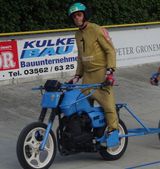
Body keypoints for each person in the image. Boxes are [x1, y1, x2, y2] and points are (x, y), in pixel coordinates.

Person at [67, 2, 119, 146]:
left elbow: (110, 50)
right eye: (74, 16)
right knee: (84, 106)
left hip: (101, 73)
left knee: (107, 104)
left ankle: (114, 133)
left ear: (85, 15)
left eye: (79, 15)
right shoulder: (77, 34)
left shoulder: (97, 29)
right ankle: (87, 135)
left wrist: (110, 71)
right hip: (87, 75)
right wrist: (77, 75)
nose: (76, 18)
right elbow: (80, 56)